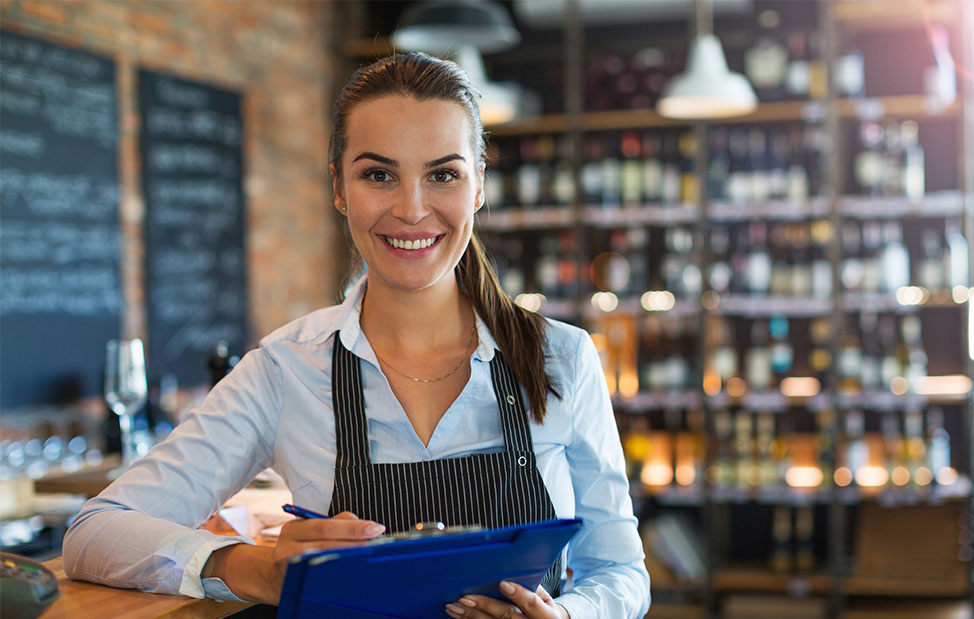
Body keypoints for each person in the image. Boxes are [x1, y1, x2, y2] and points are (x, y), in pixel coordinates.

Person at [63, 52, 651, 618]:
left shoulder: (561, 358)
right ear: (339, 188)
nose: (412, 209)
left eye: (442, 174)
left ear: (478, 188)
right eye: (379, 175)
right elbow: (96, 530)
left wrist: (570, 615)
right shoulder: (286, 369)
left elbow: (620, 572)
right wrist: (252, 567)